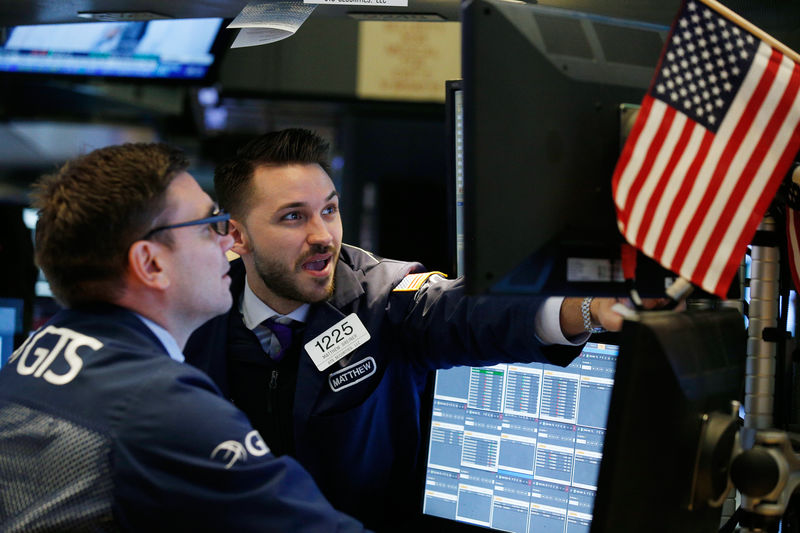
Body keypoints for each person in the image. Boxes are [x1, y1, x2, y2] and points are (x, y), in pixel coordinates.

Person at [184, 128, 628, 530]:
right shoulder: (197, 311)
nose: (323, 235)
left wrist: (584, 306)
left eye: (330, 209)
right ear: (236, 237)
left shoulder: (383, 296)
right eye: (293, 217)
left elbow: (471, 314)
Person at [0, 143, 368, 532]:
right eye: (208, 225)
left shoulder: (34, 353)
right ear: (151, 263)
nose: (228, 241)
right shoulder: (160, 406)